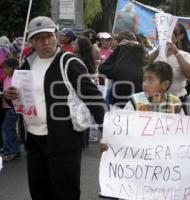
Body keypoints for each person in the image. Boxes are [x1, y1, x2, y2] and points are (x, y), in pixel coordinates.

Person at [4, 16, 105, 200]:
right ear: (32, 41)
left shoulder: (69, 63)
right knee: (39, 192)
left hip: (64, 141)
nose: (45, 42)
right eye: (39, 38)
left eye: (49, 36)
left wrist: (107, 131)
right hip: (34, 140)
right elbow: (22, 100)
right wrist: (11, 98)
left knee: (65, 193)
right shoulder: (28, 63)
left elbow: (94, 98)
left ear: (56, 36)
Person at [99, 61, 182, 152]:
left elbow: (183, 132)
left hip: (164, 157)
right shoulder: (135, 101)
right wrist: (109, 142)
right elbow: (121, 128)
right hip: (139, 155)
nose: (145, 84)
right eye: (144, 79)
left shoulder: (175, 103)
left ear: (165, 84)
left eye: (150, 80)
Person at [148, 27, 190, 115]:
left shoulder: (184, 55)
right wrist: (159, 50)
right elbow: (143, 67)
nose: (165, 38)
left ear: (176, 38)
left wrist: (176, 53)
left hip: (177, 99)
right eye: (161, 35)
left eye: (169, 35)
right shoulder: (152, 54)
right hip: (155, 100)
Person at [99, 30, 146, 109]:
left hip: (119, 102)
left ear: (120, 42)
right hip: (138, 101)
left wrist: (117, 50)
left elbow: (103, 68)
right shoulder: (141, 53)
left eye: (114, 40)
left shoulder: (121, 56)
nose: (112, 42)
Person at [1, 57, 20, 161]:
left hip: (13, 108)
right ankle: (11, 148)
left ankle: (12, 151)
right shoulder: (6, 78)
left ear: (14, 68)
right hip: (7, 107)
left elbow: (16, 94)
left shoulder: (16, 78)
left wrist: (4, 94)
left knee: (7, 128)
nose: (5, 70)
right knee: (8, 128)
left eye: (7, 68)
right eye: (4, 68)